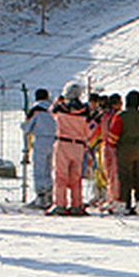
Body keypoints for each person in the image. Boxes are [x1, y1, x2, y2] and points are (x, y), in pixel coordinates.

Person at [50, 84, 92, 213]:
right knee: (76, 177)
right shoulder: (85, 111)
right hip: (78, 145)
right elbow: (87, 131)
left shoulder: (61, 108)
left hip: (63, 143)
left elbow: (51, 112)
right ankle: (76, 204)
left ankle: (60, 204)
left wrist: (58, 100)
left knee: (60, 176)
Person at [115, 89, 139, 213]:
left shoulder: (121, 117)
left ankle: (124, 203)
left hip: (124, 147)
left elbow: (113, 133)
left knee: (125, 176)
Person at [22, 88, 55, 208]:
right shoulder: (54, 108)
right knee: (50, 169)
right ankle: (51, 195)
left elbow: (27, 128)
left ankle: (41, 197)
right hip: (55, 140)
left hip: (40, 140)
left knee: (39, 169)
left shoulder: (35, 110)